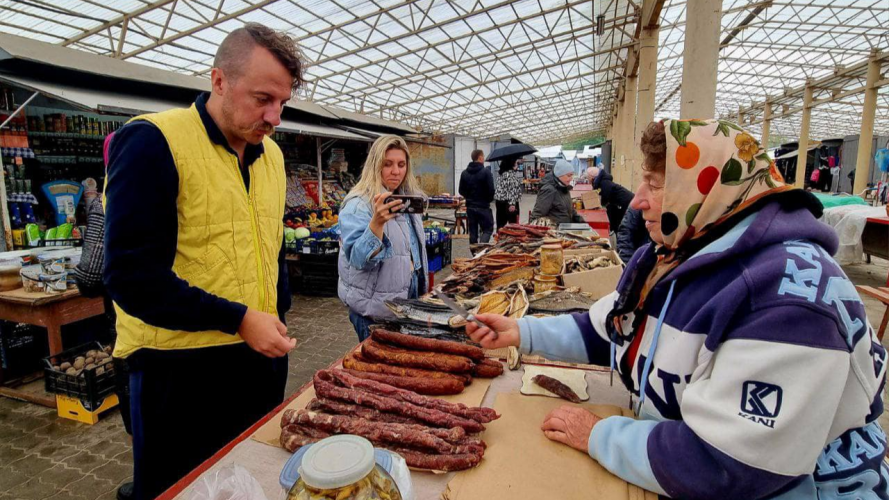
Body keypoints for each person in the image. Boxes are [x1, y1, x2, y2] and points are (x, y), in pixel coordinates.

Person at [466, 119, 887, 499]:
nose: (637, 201)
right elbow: (612, 329)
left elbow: (730, 465)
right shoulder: (678, 253)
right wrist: (522, 332)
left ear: (706, 187)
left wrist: (600, 435)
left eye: (654, 183)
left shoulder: (789, 297)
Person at [103, 24, 302, 500]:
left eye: (283, 102)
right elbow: (131, 276)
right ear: (218, 80)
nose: (274, 116)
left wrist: (276, 308)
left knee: (251, 481)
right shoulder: (154, 141)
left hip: (256, 359)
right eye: (262, 98)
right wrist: (236, 319)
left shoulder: (271, 155)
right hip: (178, 373)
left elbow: (267, 244)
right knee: (183, 488)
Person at [338, 135, 428, 341]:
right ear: (375, 165)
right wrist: (376, 223)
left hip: (405, 300)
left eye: (401, 164)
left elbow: (411, 250)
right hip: (375, 310)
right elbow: (358, 260)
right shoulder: (358, 204)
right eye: (387, 164)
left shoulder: (404, 199)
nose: (396, 171)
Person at [530, 159, 584, 225]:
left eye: (572, 175)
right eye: (568, 175)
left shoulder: (564, 187)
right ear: (559, 175)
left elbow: (570, 210)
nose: (571, 178)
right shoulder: (549, 190)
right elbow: (536, 215)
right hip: (554, 231)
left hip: (564, 230)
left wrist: (580, 220)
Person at [458, 149, 495, 245]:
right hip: (483, 207)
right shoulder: (486, 172)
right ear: (480, 157)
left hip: (470, 207)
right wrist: (488, 200)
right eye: (483, 156)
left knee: (473, 231)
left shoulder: (464, 173)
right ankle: (481, 248)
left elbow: (461, 190)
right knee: (488, 229)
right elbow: (491, 190)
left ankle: (474, 252)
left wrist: (469, 198)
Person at [587, 166, 635, 234]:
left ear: (591, 177)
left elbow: (605, 198)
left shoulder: (604, 183)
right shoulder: (602, 181)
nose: (587, 179)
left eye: (588, 177)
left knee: (621, 223)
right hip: (621, 203)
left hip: (626, 203)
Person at [494, 157, 523, 229]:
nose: (516, 165)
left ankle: (499, 238)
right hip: (510, 203)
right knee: (513, 227)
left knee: (500, 226)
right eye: (515, 163)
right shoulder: (511, 175)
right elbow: (512, 190)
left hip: (499, 202)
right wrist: (512, 204)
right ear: (511, 163)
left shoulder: (500, 174)